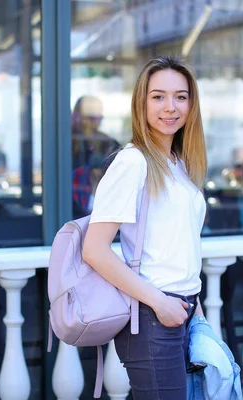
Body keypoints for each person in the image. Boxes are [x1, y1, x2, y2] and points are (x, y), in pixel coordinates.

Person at [82, 56, 207, 398]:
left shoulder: (178, 163)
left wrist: (192, 306)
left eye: (181, 97)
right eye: (158, 96)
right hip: (152, 315)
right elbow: (94, 249)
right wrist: (161, 303)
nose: (171, 107)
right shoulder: (132, 162)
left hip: (181, 310)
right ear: (142, 102)